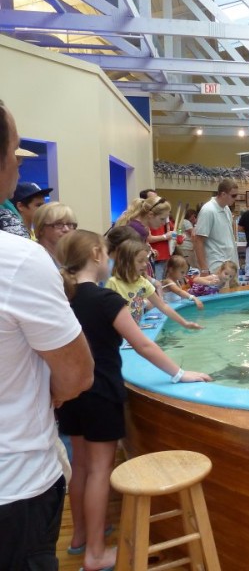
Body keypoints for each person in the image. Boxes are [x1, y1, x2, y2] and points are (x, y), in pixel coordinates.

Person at [55, 230, 211, 571]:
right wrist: (179, 374)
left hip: (71, 394)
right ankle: (96, 554)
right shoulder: (106, 301)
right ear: (98, 255)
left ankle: (80, 537)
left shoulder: (62, 299)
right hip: (101, 393)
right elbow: (143, 344)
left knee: (80, 467)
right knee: (99, 471)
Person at [0, 98, 94, 571]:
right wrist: (54, 392)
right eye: (15, 153)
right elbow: (76, 374)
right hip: (13, 482)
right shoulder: (18, 259)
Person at [105, 238, 203, 330]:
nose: (144, 264)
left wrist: (184, 323)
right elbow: (106, 312)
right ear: (126, 262)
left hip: (135, 331)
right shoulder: (113, 283)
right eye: (140, 261)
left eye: (146, 261)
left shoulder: (142, 283)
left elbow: (163, 306)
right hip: (118, 333)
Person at [115, 195, 177, 279]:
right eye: (162, 219)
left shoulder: (135, 225)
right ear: (150, 214)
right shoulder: (138, 230)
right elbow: (132, 261)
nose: (163, 223)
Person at [194, 179, 239, 278]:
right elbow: (198, 240)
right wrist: (204, 268)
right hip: (217, 264)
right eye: (233, 195)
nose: (235, 198)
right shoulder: (208, 210)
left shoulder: (226, 208)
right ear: (223, 194)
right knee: (219, 292)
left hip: (229, 263)